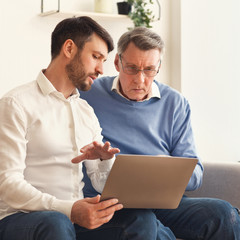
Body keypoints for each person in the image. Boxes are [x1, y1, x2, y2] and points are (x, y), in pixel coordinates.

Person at [0, 17, 176, 240]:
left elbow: (100, 183)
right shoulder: (16, 104)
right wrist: (68, 209)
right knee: (56, 221)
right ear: (70, 48)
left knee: (141, 218)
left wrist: (104, 161)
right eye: (96, 57)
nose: (101, 69)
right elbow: (7, 183)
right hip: (22, 219)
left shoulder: (85, 112)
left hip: (73, 218)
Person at [79, 27, 240, 239]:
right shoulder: (88, 94)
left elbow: (196, 172)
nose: (140, 79)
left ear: (159, 67)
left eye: (149, 70)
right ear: (117, 63)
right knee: (143, 222)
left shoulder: (175, 103)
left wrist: (166, 169)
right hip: (109, 205)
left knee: (224, 214)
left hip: (165, 204)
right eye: (132, 68)